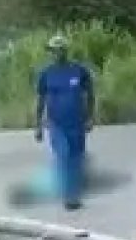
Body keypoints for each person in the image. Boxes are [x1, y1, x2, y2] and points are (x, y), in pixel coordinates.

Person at [34, 35, 94, 211]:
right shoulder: (46, 74)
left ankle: (74, 194)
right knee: (63, 155)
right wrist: (37, 125)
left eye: (59, 49)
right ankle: (68, 196)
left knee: (76, 158)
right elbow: (40, 99)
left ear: (65, 50)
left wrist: (90, 117)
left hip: (77, 122)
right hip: (56, 123)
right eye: (53, 50)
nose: (56, 53)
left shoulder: (79, 71)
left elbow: (90, 95)